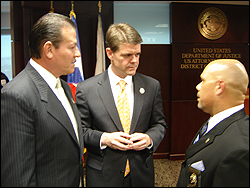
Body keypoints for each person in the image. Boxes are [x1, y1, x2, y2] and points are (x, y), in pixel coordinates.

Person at [75, 23, 167, 187]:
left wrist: (149, 138)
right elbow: (80, 131)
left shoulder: (152, 86)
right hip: (103, 175)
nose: (134, 61)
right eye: (127, 55)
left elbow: (159, 124)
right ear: (110, 53)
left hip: (141, 174)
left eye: (138, 54)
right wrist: (105, 139)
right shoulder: (87, 89)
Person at [1, 13, 84, 187]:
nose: (77, 53)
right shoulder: (17, 96)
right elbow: (18, 177)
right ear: (49, 49)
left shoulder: (65, 87)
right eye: (72, 47)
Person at [177, 59, 249, 187]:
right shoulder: (217, 123)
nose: (198, 86)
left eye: (203, 81)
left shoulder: (239, 151)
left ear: (219, 87)